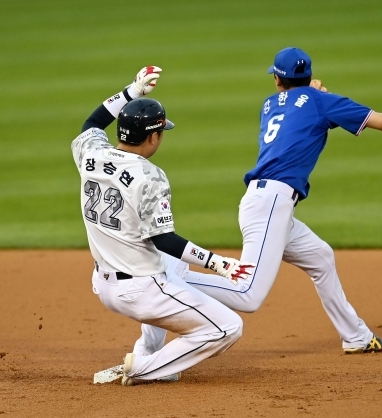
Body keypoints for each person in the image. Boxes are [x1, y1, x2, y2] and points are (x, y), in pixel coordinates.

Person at [180, 47, 382, 354]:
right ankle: (175, 279)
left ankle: (356, 337)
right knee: (248, 293)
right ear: (308, 75)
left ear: (278, 81)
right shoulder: (322, 102)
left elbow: (298, 106)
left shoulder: (269, 104)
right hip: (270, 204)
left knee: (321, 258)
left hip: (268, 203)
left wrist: (314, 93)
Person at [72, 66, 254, 385]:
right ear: (153, 136)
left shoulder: (90, 153)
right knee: (227, 327)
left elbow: (92, 123)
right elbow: (164, 239)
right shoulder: (150, 176)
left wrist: (132, 91)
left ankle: (145, 351)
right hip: (139, 289)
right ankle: (145, 369)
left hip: (104, 281)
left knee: (174, 268)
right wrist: (218, 263)